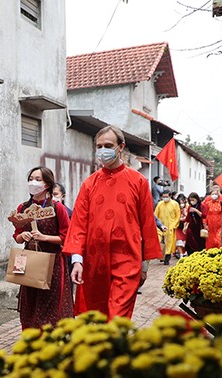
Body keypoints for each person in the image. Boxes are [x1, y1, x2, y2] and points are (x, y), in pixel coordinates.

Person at [64, 125, 162, 319]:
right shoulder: (89, 184)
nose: (102, 151)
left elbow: (147, 225)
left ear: (120, 147)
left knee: (118, 317)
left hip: (127, 260)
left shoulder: (138, 182)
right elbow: (78, 224)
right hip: (94, 263)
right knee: (97, 318)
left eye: (108, 145)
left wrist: (144, 266)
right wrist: (77, 261)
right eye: (99, 146)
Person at [11, 167, 73, 329]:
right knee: (29, 305)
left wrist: (44, 237)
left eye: (38, 179)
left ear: (48, 183)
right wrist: (22, 236)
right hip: (29, 260)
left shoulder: (57, 208)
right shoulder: (23, 208)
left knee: (50, 307)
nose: (33, 182)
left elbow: (67, 237)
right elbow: (17, 236)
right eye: (31, 178)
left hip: (53, 265)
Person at [155, 190, 181, 265]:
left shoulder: (175, 204)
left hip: (170, 226)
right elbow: (155, 215)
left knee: (169, 243)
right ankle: (162, 256)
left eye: (166, 196)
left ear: (170, 196)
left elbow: (177, 215)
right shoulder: (159, 204)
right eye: (164, 197)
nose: (165, 198)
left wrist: (174, 225)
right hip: (161, 226)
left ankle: (167, 257)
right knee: (161, 241)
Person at [201, 185, 222, 249]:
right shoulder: (207, 203)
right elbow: (204, 214)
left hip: (219, 224)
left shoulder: (221, 203)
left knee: (219, 240)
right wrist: (205, 224)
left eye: (215, 194)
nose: (214, 195)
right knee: (210, 241)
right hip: (210, 225)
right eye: (213, 194)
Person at [175, 194, 188, 258]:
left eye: (183, 202)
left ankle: (185, 252)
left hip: (185, 226)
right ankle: (181, 254)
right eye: (180, 202)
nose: (181, 204)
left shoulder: (187, 208)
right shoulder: (176, 208)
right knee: (179, 240)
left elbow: (187, 216)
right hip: (178, 226)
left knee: (185, 240)